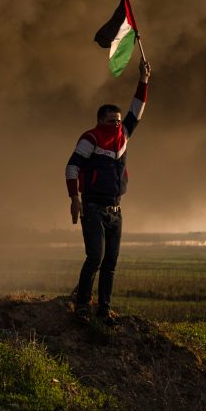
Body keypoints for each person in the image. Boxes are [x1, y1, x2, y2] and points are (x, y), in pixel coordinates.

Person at [65, 57, 151, 325]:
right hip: (92, 208)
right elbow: (71, 167)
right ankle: (82, 306)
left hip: (116, 210)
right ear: (99, 120)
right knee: (95, 258)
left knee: (111, 263)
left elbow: (136, 110)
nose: (116, 123)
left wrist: (144, 79)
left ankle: (104, 309)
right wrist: (74, 199)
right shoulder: (90, 138)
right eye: (111, 120)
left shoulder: (123, 136)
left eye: (117, 120)